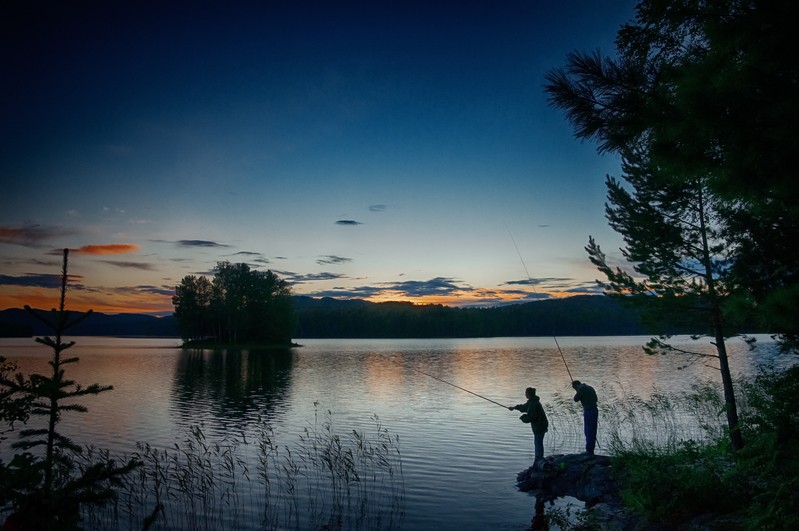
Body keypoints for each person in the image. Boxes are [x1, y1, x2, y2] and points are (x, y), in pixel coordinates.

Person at [508, 387, 549, 464]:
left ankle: (539, 460)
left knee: (538, 443)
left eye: (526, 393)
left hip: (539, 426)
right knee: (538, 442)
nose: (525, 394)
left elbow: (530, 417)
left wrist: (523, 418)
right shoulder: (532, 402)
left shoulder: (533, 404)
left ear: (529, 394)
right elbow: (524, 407)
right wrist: (514, 408)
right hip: (541, 425)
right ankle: (539, 459)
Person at [571, 380, 598, 455]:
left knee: (588, 431)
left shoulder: (582, 389)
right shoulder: (590, 387)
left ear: (576, 385)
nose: (575, 389)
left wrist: (578, 391)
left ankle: (589, 451)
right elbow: (596, 399)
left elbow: (575, 399)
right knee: (592, 430)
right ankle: (591, 450)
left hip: (589, 411)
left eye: (574, 388)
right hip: (594, 410)